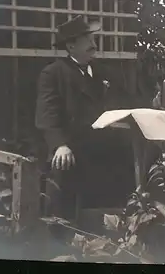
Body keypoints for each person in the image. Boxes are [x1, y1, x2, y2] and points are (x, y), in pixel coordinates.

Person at [35, 16, 136, 224]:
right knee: (68, 216)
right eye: (87, 39)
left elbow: (122, 105)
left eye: (92, 38)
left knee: (109, 211)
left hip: (104, 152)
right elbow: (47, 114)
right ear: (71, 46)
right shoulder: (54, 74)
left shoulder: (104, 72)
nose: (93, 43)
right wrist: (60, 145)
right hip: (74, 153)